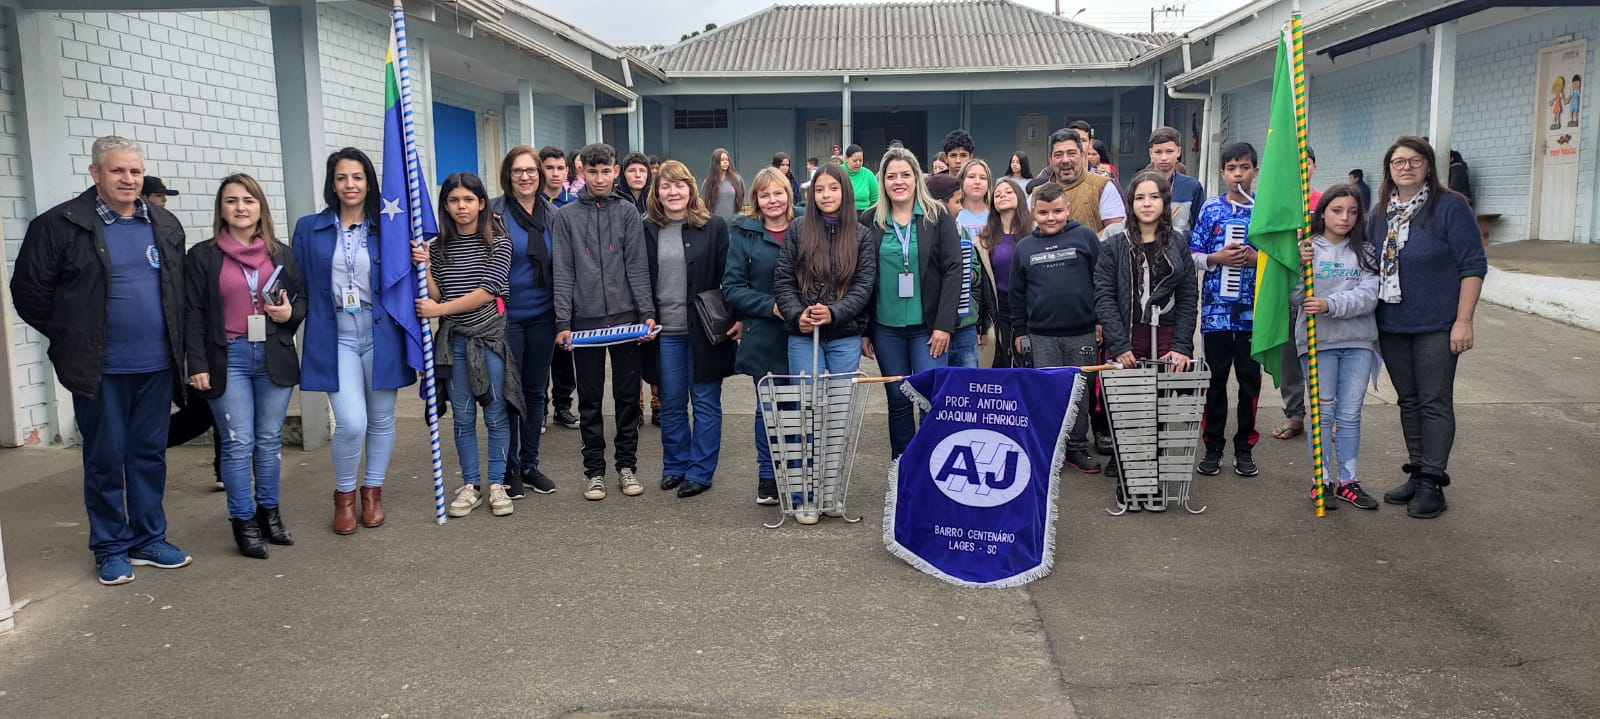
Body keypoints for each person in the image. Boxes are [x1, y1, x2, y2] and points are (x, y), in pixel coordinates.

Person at [12, 136, 192, 584]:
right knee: (106, 458)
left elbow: (177, 292)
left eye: (134, 171)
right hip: (100, 369)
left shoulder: (165, 224)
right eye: (117, 171)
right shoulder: (58, 225)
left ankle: (150, 539)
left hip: (155, 364)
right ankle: (111, 546)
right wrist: (74, 337)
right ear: (95, 174)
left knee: (149, 455)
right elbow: (29, 294)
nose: (128, 179)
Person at [292, 148, 415, 535]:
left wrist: (418, 256)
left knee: (380, 420)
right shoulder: (309, 228)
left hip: (379, 332)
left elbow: (403, 277)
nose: (350, 185)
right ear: (332, 183)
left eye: (358, 177)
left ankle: (372, 492)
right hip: (336, 335)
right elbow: (297, 287)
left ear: (369, 182)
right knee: (350, 423)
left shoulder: (388, 226)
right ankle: (344, 495)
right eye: (342, 177)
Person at [183, 173, 305, 558]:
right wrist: (196, 363)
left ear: (260, 208)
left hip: (273, 353)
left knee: (269, 442)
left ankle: (270, 515)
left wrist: (288, 313)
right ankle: (243, 522)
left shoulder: (281, 253)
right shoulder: (202, 256)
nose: (240, 208)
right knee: (238, 444)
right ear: (221, 208)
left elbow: (301, 302)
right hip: (228, 356)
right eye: (232, 201)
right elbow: (193, 313)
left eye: (248, 201)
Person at [1368, 136, 1485, 519]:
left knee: (1434, 401)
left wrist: (1463, 321)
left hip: (1438, 324)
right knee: (1409, 400)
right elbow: (1362, 256)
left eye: (1414, 160)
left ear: (1428, 166)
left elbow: (1472, 266)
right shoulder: (1380, 212)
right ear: (1388, 169)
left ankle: (1433, 481)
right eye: (1398, 161)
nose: (1406, 167)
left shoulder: (1451, 207)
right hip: (1392, 322)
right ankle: (1418, 471)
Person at [552, 143, 658, 502]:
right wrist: (563, 321)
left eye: (605, 171)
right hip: (585, 321)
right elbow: (563, 271)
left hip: (626, 318)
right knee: (591, 397)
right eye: (592, 172)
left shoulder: (628, 212)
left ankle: (627, 465)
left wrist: (646, 312)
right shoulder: (565, 217)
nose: (599, 178)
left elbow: (637, 266)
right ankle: (594, 470)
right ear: (581, 172)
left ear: (615, 171)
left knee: (628, 395)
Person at [773, 163, 875, 524]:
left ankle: (829, 491)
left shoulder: (861, 235)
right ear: (811, 195)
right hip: (803, 335)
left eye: (833, 189)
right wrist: (795, 314)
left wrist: (834, 313)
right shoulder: (799, 229)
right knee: (805, 415)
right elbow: (783, 280)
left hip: (843, 335)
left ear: (845, 193)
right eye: (820, 190)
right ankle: (803, 495)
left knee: (837, 416)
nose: (826, 195)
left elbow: (864, 287)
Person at [416, 172, 520, 519]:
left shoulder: (499, 243)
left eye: (468, 200)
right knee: (462, 417)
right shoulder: (439, 247)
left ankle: (496, 483)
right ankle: (472, 485)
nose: (462, 207)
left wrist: (440, 311)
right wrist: (426, 267)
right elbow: (436, 293)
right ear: (445, 206)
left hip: (489, 339)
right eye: (454, 200)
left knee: (495, 413)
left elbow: (488, 290)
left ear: (481, 203)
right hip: (455, 343)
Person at [1094, 171, 1198, 505]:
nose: (1147, 203)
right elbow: (1104, 297)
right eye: (1140, 198)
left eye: (1153, 197)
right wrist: (1119, 345)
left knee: (1158, 409)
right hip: (1129, 336)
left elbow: (1188, 297)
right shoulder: (1113, 245)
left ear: (1165, 202)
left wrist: (1181, 346)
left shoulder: (1178, 243)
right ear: (1130, 203)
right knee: (1128, 410)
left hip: (1166, 337)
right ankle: (1129, 475)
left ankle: (1151, 475)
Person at [643, 161, 739, 498]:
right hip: (663, 332)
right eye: (666, 186)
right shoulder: (648, 229)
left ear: (691, 188)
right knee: (670, 402)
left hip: (704, 331)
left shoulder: (713, 227)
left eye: (679, 185)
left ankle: (700, 471)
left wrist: (737, 317)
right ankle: (675, 465)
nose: (673, 192)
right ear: (657, 192)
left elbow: (730, 277)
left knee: (705, 402)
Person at [858, 147, 962, 459]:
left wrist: (945, 324)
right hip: (886, 329)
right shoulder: (869, 220)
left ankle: (932, 463)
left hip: (928, 328)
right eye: (891, 176)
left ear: (916, 178)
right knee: (898, 398)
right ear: (882, 181)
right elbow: (862, 277)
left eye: (905, 175)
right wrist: (864, 330)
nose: (898, 181)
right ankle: (902, 465)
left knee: (931, 396)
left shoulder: (937, 216)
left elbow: (954, 268)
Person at [1291, 184, 1381, 510]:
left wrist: (1329, 304)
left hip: (1357, 342)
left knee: (1349, 414)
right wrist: (1299, 266)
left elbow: (1370, 296)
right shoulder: (1307, 249)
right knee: (1323, 414)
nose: (1345, 218)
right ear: (1323, 212)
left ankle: (1347, 482)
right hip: (1317, 343)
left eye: (1352, 212)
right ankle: (1321, 481)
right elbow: (1293, 296)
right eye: (1337, 210)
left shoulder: (1366, 251)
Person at [1009, 181, 1102, 474]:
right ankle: (1050, 448)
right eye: (1044, 212)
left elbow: (1101, 283)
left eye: (1058, 211)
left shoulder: (1085, 238)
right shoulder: (1024, 247)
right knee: (1047, 393)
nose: (1051, 218)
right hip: (1041, 336)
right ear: (1033, 212)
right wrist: (1020, 331)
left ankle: (1076, 447)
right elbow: (1016, 293)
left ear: (1068, 209)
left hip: (1082, 332)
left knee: (1080, 393)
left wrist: (1100, 321)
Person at [1189, 142, 1263, 478]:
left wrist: (1256, 259)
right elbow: (1192, 254)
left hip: (1252, 314)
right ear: (1223, 173)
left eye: (1244, 168)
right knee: (1215, 381)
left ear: (1255, 172)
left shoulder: (1265, 210)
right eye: (1232, 168)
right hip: (1216, 314)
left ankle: (1245, 447)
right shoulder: (1210, 209)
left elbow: (1280, 257)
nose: (1238, 174)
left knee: (1249, 381)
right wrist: (1216, 259)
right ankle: (1213, 447)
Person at [724, 167, 795, 506]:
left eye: (778, 193)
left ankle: (796, 473)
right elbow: (733, 288)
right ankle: (768, 476)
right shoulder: (744, 233)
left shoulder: (805, 227)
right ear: (756, 199)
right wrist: (771, 306)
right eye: (765, 195)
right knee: (768, 408)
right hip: (764, 333)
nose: (772, 200)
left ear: (788, 194)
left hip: (803, 333)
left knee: (799, 408)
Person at [491, 146, 559, 498]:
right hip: (506, 318)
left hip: (543, 317)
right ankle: (509, 467)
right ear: (508, 175)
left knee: (535, 392)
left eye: (531, 170)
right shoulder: (494, 213)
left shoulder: (552, 214)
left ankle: (530, 464)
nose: (525, 176)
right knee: (509, 395)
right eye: (517, 171)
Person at [148, 173, 223, 490]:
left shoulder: (169, 233)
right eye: (158, 196)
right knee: (200, 413)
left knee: (212, 409)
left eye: (165, 197)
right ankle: (141, 447)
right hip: (165, 345)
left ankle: (223, 471)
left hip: (193, 340)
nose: (164, 201)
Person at [1272, 145, 1325, 443]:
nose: (1300, 170)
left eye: (1306, 164)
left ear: (1314, 167)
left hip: (1319, 296)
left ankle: (1326, 417)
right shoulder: (1277, 206)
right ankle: (1295, 416)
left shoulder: (1326, 202)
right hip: (1286, 293)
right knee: (1289, 357)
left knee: (1321, 361)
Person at [540, 146, 580, 431]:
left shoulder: (574, 204)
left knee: (566, 352)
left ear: (568, 171)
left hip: (568, 288)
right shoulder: (532, 202)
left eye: (560, 168)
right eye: (549, 167)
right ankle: (538, 407)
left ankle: (562, 406)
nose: (555, 173)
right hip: (539, 289)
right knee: (540, 353)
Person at [977, 177, 1033, 369]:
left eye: (1008, 192)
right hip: (999, 307)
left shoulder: (1034, 232)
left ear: (1019, 196)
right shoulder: (984, 238)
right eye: (998, 194)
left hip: (1029, 307)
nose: (1002, 196)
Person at [1028, 129, 1126, 237]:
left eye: (1071, 153)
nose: (1065, 160)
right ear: (1050, 159)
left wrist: (1083, 246)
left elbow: (1116, 229)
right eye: (1058, 155)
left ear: (1083, 156)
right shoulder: (1037, 193)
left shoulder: (1102, 186)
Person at [949, 159, 995, 369]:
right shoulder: (953, 215)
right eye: (971, 176)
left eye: (983, 177)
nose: (977, 182)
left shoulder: (996, 213)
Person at [1147, 126, 1207, 237]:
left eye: (1169, 151)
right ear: (1151, 153)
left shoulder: (1192, 186)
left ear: (1178, 152)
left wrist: (1177, 236)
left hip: (1182, 250)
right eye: (1158, 152)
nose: (1164, 157)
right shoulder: (1140, 186)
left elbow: (1201, 230)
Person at [702, 148, 746, 221]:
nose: (725, 162)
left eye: (727, 159)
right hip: (715, 225)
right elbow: (705, 206)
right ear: (715, 162)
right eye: (722, 160)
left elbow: (742, 197)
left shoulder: (737, 180)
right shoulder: (708, 183)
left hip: (734, 224)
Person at [843, 144, 879, 211]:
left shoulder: (868, 174)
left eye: (860, 160)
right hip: (843, 212)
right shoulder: (838, 172)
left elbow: (875, 199)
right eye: (855, 161)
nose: (858, 163)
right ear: (846, 159)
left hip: (864, 213)